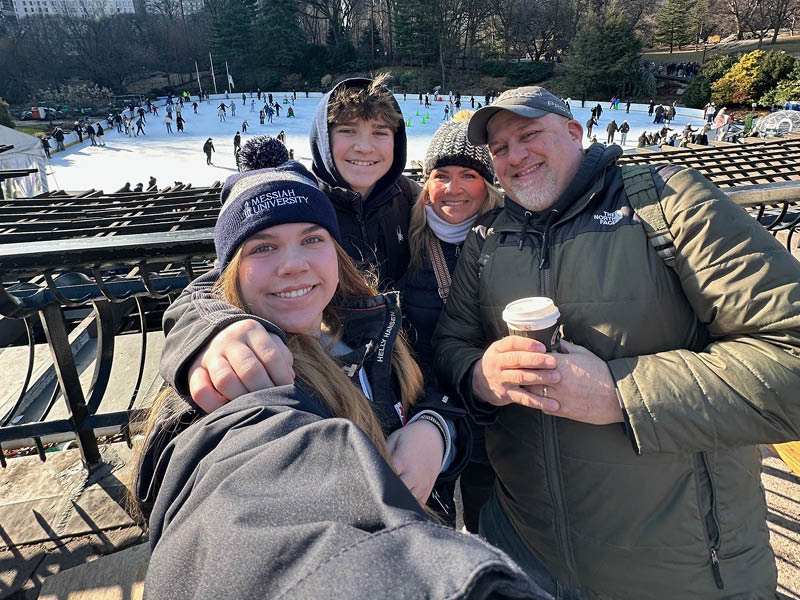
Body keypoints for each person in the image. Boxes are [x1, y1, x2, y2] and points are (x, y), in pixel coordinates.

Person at [430, 85, 800, 599]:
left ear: (575, 132)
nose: (515, 156)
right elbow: (451, 342)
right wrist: (479, 375)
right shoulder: (488, 238)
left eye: (529, 135)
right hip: (524, 553)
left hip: (681, 572)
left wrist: (621, 393)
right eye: (499, 149)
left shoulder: (668, 202)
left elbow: (790, 356)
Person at [130, 155, 531, 600]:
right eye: (262, 247)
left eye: (311, 239)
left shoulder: (368, 326)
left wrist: (435, 432)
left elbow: (429, 394)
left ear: (336, 251)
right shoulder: (229, 379)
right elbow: (245, 518)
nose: (294, 264)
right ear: (231, 271)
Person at [154, 75, 425, 442]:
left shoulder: (410, 199)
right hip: (319, 371)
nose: (365, 147)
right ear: (323, 140)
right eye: (348, 131)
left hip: (401, 372)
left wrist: (437, 423)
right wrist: (216, 330)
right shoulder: (297, 201)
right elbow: (210, 287)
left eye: (380, 133)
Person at [399, 115, 503, 530]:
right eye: (441, 175)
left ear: (488, 183)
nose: (453, 188)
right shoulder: (406, 238)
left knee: (485, 520)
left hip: (491, 418)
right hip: (427, 417)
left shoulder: (510, 234)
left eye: (469, 175)